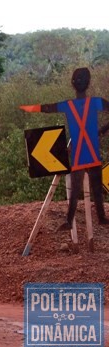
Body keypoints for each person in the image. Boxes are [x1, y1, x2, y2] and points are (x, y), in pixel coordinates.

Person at [20, 67, 109, 230]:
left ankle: (69, 221)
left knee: (75, 190)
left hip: (78, 156)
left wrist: (28, 107)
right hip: (93, 153)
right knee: (97, 188)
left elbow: (47, 108)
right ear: (89, 83)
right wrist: (103, 130)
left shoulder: (67, 105)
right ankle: (102, 218)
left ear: (72, 84)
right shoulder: (96, 102)